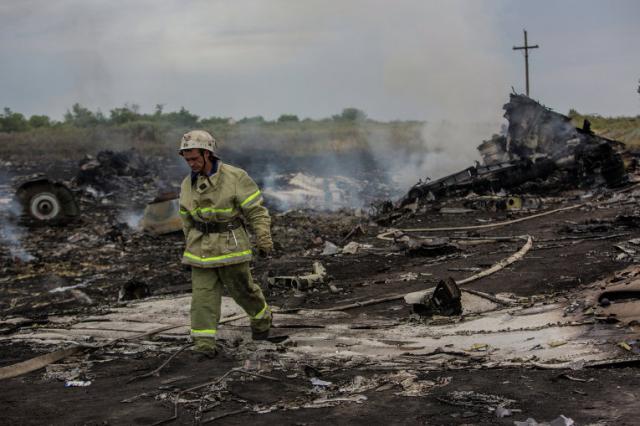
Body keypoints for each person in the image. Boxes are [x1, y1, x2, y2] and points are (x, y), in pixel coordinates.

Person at [178, 130, 273, 357]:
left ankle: (262, 321)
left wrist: (263, 238)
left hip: (230, 246)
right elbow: (186, 219)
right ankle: (203, 346)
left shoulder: (235, 177)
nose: (191, 164)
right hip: (200, 250)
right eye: (187, 159)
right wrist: (189, 247)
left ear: (207, 153)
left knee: (243, 291)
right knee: (202, 298)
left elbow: (256, 211)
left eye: (194, 158)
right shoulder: (187, 184)